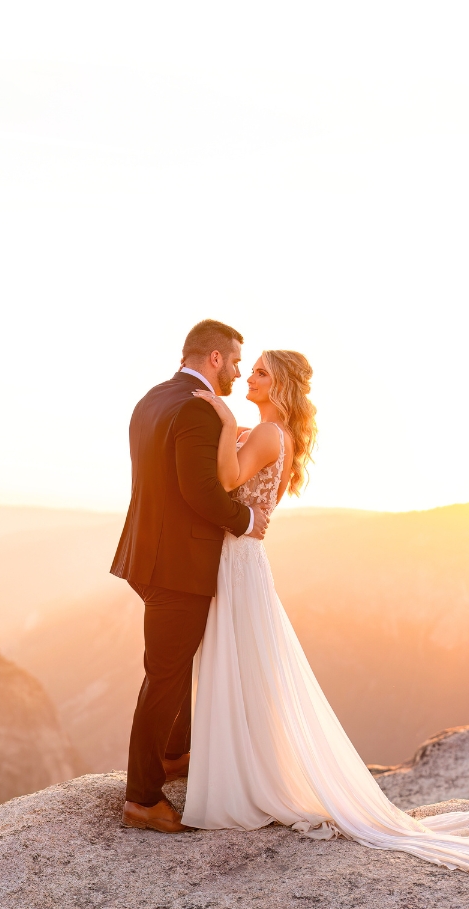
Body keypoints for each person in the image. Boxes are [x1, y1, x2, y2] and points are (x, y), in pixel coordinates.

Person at [183, 348, 469, 881]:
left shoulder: (269, 434)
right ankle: (247, 772)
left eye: (261, 372)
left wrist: (225, 421)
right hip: (242, 556)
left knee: (242, 665)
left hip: (239, 559)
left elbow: (226, 482)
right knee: (245, 666)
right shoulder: (269, 432)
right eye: (250, 370)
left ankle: (243, 780)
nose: (249, 376)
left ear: (282, 387)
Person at [111, 319, 268, 834]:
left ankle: (176, 754)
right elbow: (199, 490)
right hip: (178, 564)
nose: (239, 372)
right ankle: (142, 798)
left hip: (145, 556)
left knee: (173, 665)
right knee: (166, 674)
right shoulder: (198, 409)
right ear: (215, 358)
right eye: (237, 362)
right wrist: (246, 520)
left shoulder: (152, 399)